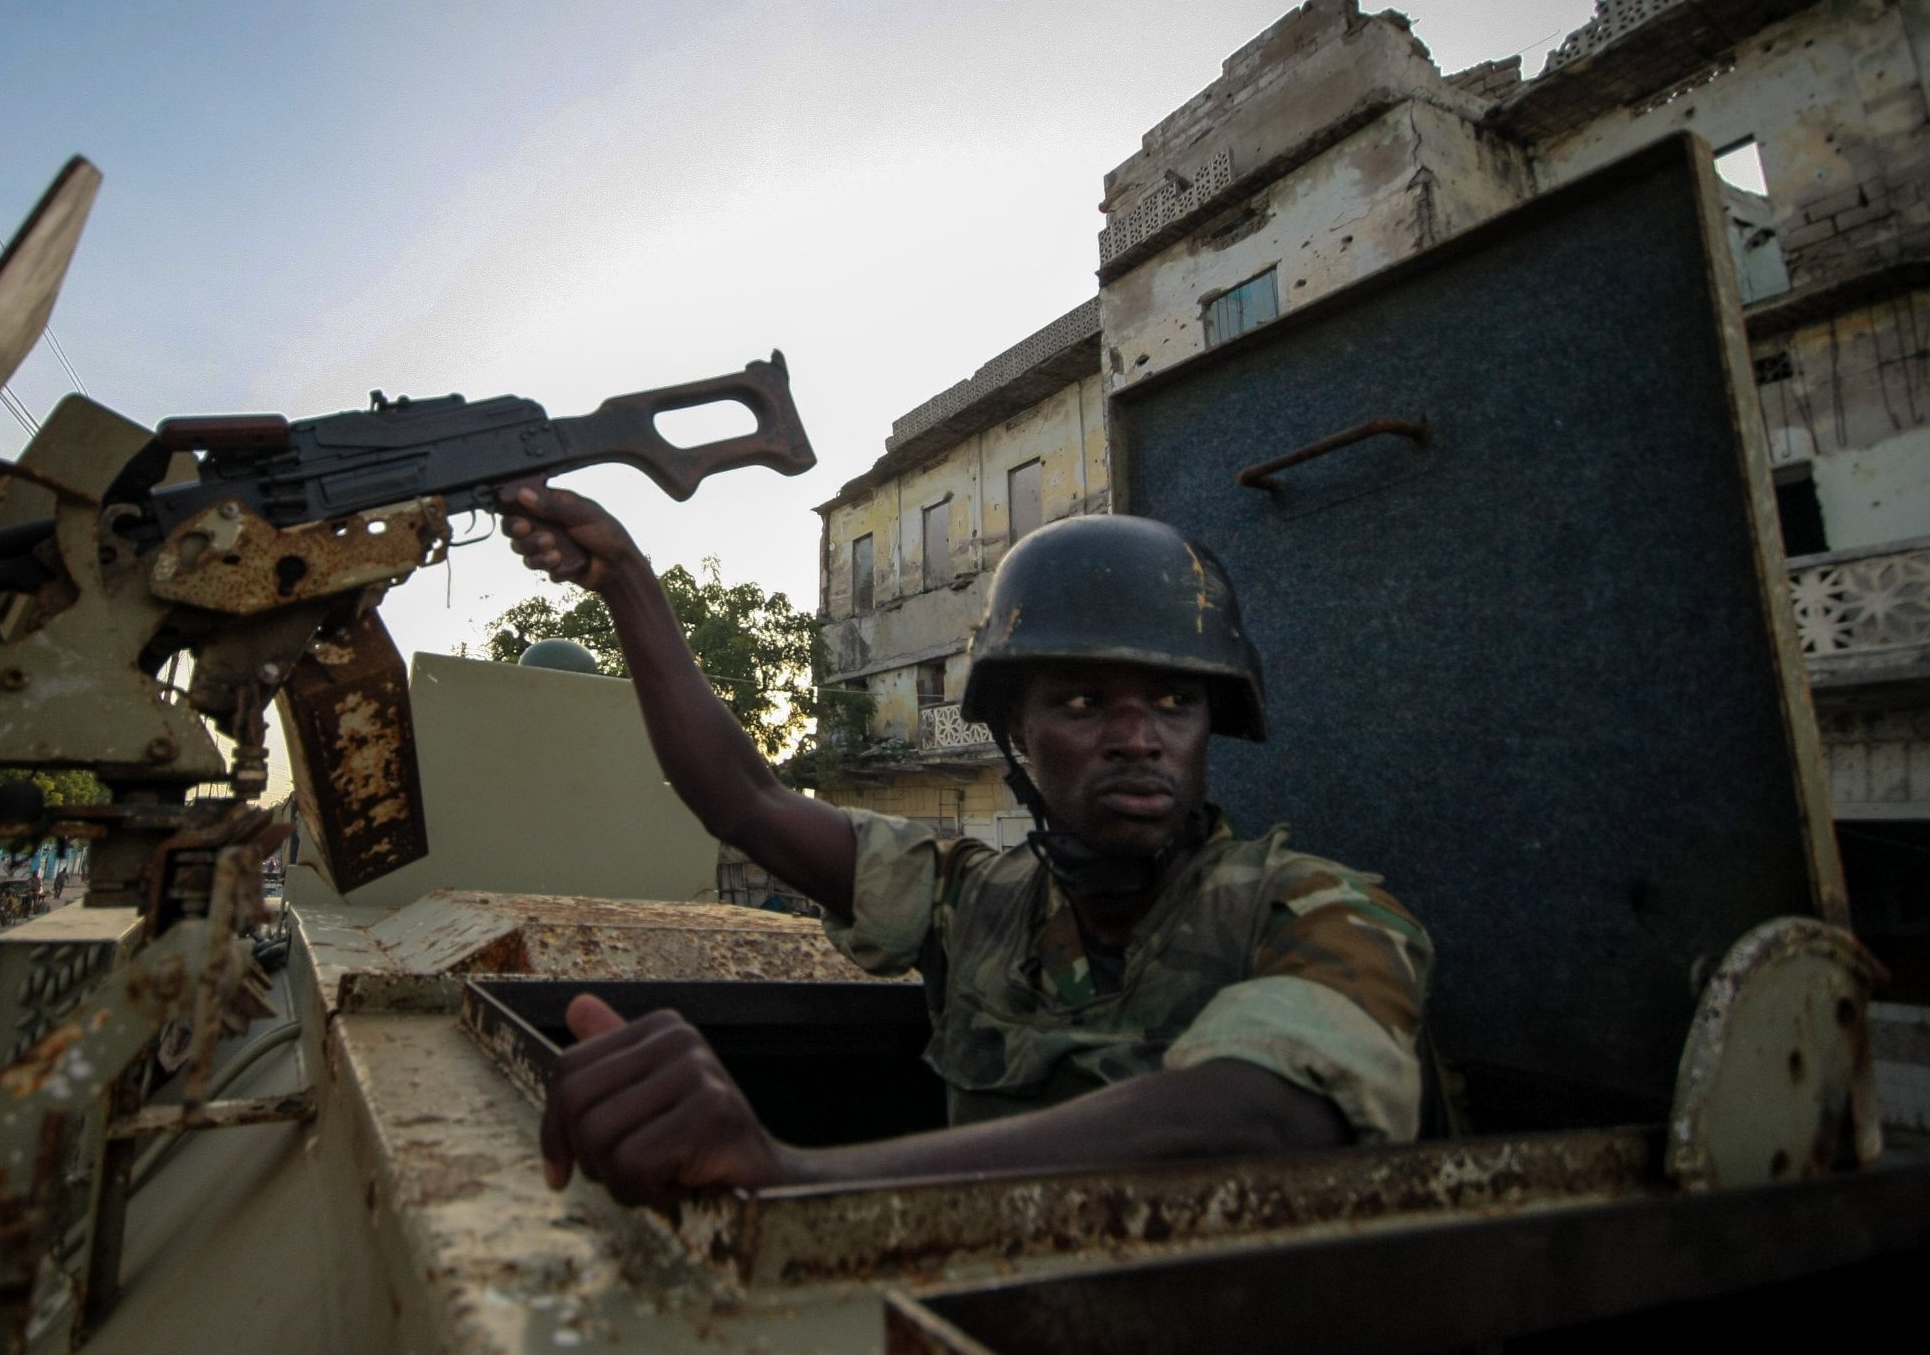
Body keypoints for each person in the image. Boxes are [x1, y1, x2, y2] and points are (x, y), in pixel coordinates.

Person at [499, 484, 1434, 1211]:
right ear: (1017, 732)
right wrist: (626, 578)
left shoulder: (1316, 909)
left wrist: (798, 1179)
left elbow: (1261, 1114)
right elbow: (745, 800)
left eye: (1174, 701)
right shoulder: (973, 900)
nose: (1138, 737)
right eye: (1084, 702)